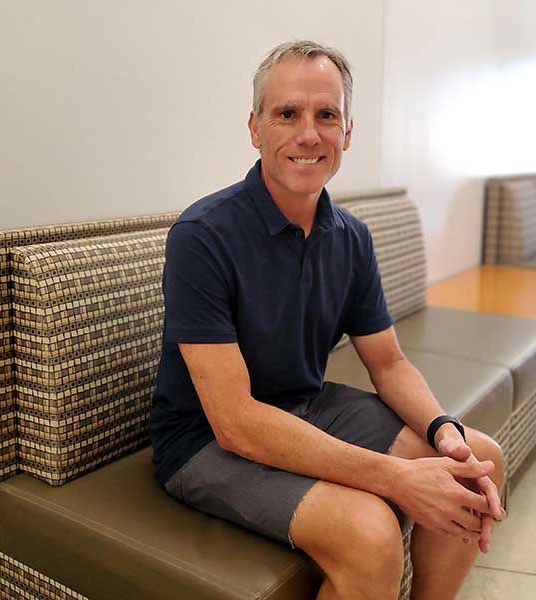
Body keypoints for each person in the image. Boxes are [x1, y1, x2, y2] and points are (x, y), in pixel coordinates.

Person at [149, 40, 505, 600]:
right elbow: (236, 421)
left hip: (307, 407)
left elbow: (388, 362)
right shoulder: (203, 236)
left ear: (347, 130)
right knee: (372, 533)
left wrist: (445, 432)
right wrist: (397, 478)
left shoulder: (352, 237)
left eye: (326, 115)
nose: (308, 133)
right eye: (286, 113)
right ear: (255, 127)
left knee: (480, 463)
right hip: (205, 441)